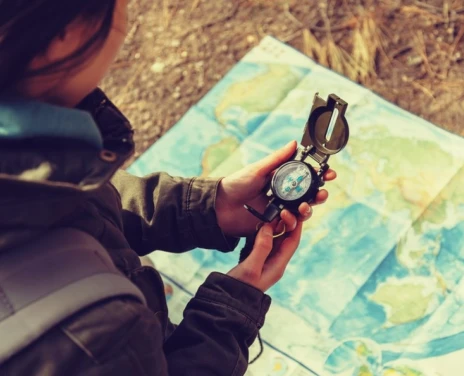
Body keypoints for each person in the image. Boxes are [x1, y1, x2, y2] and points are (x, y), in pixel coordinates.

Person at [0, 1, 336, 375]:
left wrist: (209, 207)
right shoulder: (92, 341)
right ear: (59, 36)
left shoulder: (30, 161)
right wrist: (230, 310)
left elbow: (76, 211)